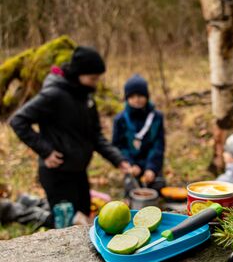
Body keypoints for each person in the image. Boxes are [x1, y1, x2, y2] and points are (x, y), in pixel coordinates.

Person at [9, 46, 130, 227]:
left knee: (82, 216)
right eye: (92, 78)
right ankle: (13, 211)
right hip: (56, 173)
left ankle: (28, 201)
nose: (95, 83)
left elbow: (95, 135)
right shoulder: (54, 94)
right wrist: (46, 151)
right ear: (78, 74)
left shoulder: (86, 97)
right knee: (65, 222)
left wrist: (118, 160)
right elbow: (18, 121)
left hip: (79, 172)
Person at [112, 74, 165, 197]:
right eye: (132, 96)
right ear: (127, 98)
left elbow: (158, 144)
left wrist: (151, 167)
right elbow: (118, 145)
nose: (137, 99)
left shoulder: (156, 117)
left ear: (146, 96)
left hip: (152, 164)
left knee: (155, 195)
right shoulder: (120, 119)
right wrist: (129, 163)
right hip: (131, 166)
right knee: (133, 195)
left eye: (140, 95)